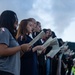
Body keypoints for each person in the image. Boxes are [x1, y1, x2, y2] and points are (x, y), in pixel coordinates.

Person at [0, 10, 31, 75]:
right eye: (15, 18)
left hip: (12, 71)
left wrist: (23, 50)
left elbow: (14, 55)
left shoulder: (10, 33)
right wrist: (20, 47)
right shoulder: (4, 30)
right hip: (5, 71)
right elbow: (2, 51)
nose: (17, 21)